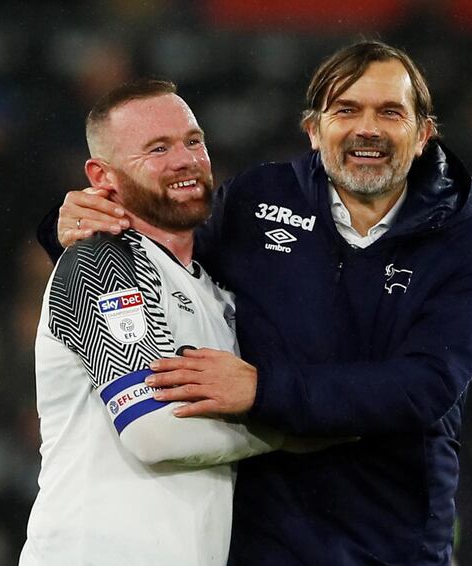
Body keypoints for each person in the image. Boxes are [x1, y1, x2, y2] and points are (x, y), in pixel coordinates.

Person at [39, 41, 472, 566]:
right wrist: (67, 227)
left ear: (424, 132)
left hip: (389, 545)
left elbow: (423, 387)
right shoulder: (257, 201)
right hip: (263, 545)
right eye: (346, 110)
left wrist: (263, 392)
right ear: (313, 130)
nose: (368, 129)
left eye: (390, 111)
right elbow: (161, 242)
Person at [21, 79, 284, 566]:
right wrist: (294, 428)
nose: (184, 159)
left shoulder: (216, 292)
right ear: (103, 176)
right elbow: (155, 432)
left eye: (193, 140)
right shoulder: (100, 260)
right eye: (157, 148)